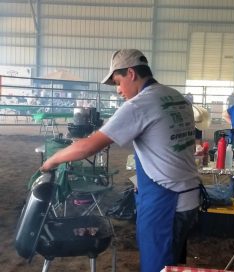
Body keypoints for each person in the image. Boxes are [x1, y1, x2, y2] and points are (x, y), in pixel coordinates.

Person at [40, 49, 200, 272]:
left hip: (166, 201)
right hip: (189, 197)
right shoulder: (176, 96)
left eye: (118, 81)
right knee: (174, 265)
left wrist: (52, 161)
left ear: (131, 74)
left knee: (158, 267)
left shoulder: (140, 105)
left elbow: (89, 147)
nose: (118, 90)